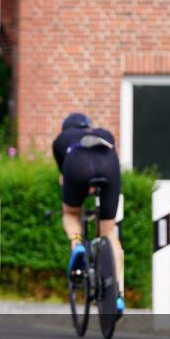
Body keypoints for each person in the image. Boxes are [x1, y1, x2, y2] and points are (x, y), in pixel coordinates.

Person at [52, 112, 125, 315]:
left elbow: (63, 178)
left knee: (71, 213)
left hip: (77, 162)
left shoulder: (61, 140)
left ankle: (77, 245)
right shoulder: (104, 133)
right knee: (109, 232)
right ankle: (117, 295)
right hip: (108, 163)